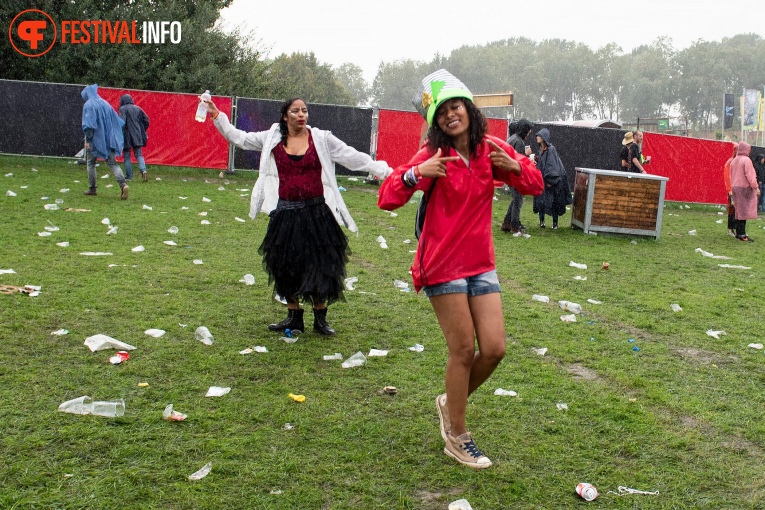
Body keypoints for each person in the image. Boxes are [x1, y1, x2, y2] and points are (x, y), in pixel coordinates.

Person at [378, 70, 543, 468]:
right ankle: (457, 434)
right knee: (463, 350)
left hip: (480, 263)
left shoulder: (492, 149)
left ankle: (449, 403)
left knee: (496, 348)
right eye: (442, 112)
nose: (451, 115)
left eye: (456, 106)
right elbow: (387, 197)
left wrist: (516, 168)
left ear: (469, 108)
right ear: (435, 121)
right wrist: (417, 173)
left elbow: (537, 186)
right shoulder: (435, 155)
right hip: (441, 263)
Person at [203, 97, 392, 335]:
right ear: (285, 116)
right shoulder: (272, 137)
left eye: (304, 111)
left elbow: (351, 156)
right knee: (285, 265)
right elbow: (239, 138)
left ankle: (320, 320)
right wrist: (217, 114)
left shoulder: (321, 139)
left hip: (316, 213)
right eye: (295, 111)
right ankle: (294, 317)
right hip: (286, 214)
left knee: (320, 265)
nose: (301, 115)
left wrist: (384, 170)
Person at [81, 84, 128, 199]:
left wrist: (88, 139)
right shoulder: (105, 104)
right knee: (113, 163)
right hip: (109, 139)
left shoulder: (89, 105)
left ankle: (92, 188)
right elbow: (116, 120)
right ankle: (123, 184)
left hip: (96, 139)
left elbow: (90, 124)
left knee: (91, 163)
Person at [532, 128, 572, 228]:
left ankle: (555, 223)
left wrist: (551, 180)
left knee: (554, 203)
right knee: (541, 201)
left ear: (544, 138)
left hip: (553, 182)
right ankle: (542, 222)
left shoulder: (551, 149)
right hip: (543, 181)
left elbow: (552, 165)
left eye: (539, 136)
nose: (537, 137)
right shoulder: (541, 150)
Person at [501, 119, 534, 233]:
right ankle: (514, 227)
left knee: (516, 199)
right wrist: (527, 155)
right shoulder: (519, 141)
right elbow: (518, 160)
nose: (530, 132)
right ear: (525, 129)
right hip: (513, 174)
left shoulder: (512, 138)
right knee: (518, 199)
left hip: (507, 173)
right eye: (529, 130)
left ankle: (506, 224)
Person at [729, 141, 760, 242]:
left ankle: (739, 232)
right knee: (744, 211)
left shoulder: (734, 161)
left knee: (739, 211)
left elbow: (731, 175)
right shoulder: (746, 160)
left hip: (735, 186)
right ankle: (742, 234)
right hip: (745, 187)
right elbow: (750, 176)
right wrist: (755, 187)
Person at [118, 94, 150, 182]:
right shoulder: (138, 108)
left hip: (127, 135)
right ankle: (143, 170)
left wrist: (119, 132)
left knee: (127, 155)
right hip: (137, 134)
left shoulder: (122, 109)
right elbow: (146, 120)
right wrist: (142, 129)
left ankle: (129, 176)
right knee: (139, 154)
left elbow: (122, 122)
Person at [723, 143, 739, 236]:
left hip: (737, 189)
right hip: (732, 190)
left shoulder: (736, 162)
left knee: (737, 210)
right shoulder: (730, 162)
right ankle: (731, 229)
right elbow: (727, 177)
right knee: (732, 209)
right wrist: (730, 190)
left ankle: (736, 229)